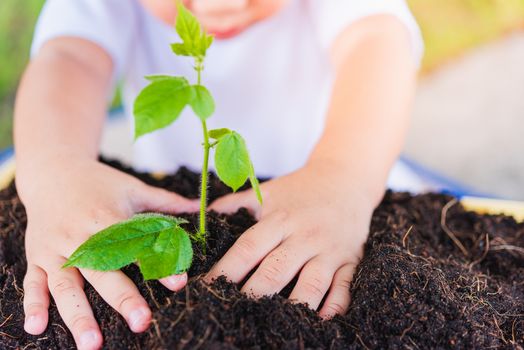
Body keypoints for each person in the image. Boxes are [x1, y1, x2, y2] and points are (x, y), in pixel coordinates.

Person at [14, 0, 423, 349]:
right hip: (180, 191)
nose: (218, 5)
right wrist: (55, 172)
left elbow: (377, 40)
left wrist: (342, 178)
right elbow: (69, 57)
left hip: (344, 195)